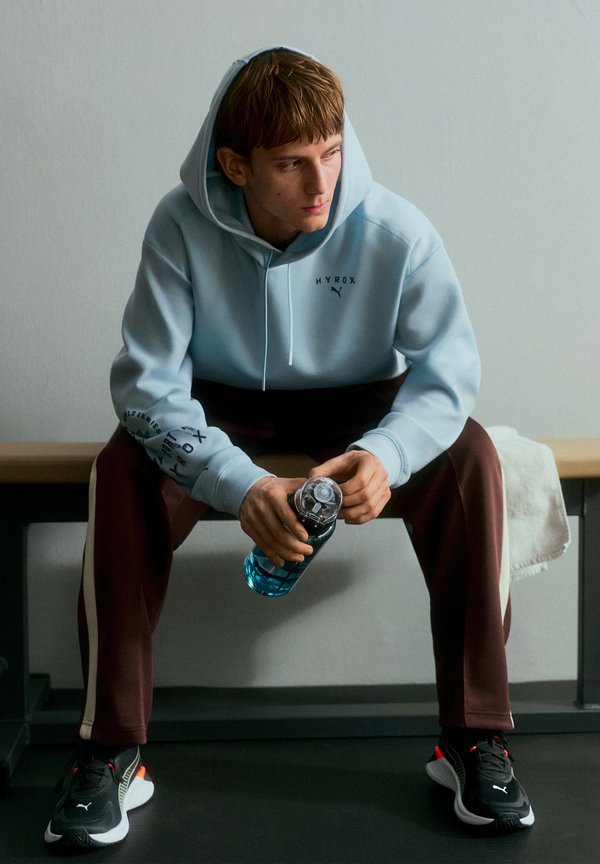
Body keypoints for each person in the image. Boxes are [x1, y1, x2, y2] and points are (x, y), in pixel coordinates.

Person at [44, 46, 534, 848]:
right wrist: (238, 485)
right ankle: (111, 753)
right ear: (234, 163)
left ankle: (474, 738)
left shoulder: (395, 229)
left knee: (470, 456)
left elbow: (450, 369)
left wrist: (388, 454)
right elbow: (146, 387)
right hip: (221, 409)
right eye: (292, 164)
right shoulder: (178, 224)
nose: (321, 184)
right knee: (121, 467)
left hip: (359, 410)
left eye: (332, 154)